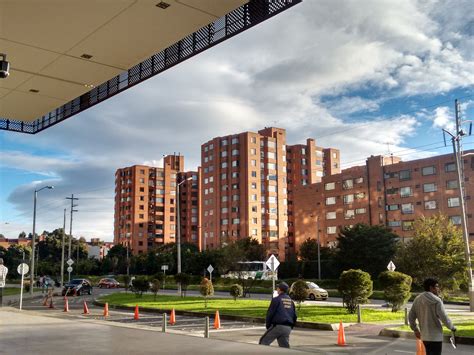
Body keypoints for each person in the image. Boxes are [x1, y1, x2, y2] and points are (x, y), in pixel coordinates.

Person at [409, 278, 456, 355]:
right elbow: (444, 317)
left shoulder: (417, 299)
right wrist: (452, 327)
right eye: (437, 286)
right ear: (431, 288)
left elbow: (411, 316)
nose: (438, 289)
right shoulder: (437, 301)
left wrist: (415, 329)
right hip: (436, 337)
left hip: (424, 336)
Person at [259, 282, 297, 348]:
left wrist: (268, 326)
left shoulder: (276, 300)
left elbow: (270, 314)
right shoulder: (291, 301)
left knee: (263, 342)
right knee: (284, 347)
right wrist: (291, 327)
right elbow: (294, 316)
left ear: (279, 289)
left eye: (277, 288)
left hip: (278, 326)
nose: (277, 289)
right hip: (288, 328)